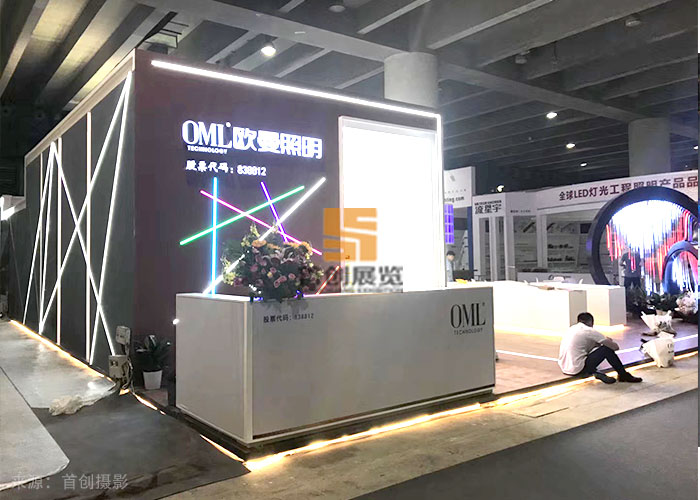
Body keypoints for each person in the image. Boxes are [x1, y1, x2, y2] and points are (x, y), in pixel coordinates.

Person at [558, 312, 642, 384]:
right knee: (607, 349)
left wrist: (596, 344)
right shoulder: (589, 330)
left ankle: (595, 372)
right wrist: (607, 341)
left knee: (594, 351)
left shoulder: (571, 329)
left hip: (564, 368)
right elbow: (615, 347)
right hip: (578, 368)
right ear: (591, 322)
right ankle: (623, 374)